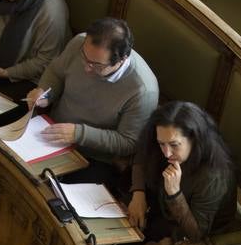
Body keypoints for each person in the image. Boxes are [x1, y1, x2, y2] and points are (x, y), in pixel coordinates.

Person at [26, 18, 159, 184]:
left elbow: (128, 142)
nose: (86, 68)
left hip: (94, 156)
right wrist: (45, 93)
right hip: (50, 131)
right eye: (84, 57)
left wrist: (78, 134)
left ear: (121, 60)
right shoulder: (80, 43)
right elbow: (56, 72)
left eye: (96, 65)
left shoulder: (143, 90)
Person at [126, 101, 238, 242]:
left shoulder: (214, 175)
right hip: (159, 206)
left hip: (189, 233)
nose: (166, 153)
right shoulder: (166, 137)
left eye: (174, 145)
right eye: (161, 144)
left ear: (195, 139)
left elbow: (196, 234)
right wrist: (138, 193)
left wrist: (175, 194)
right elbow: (142, 154)